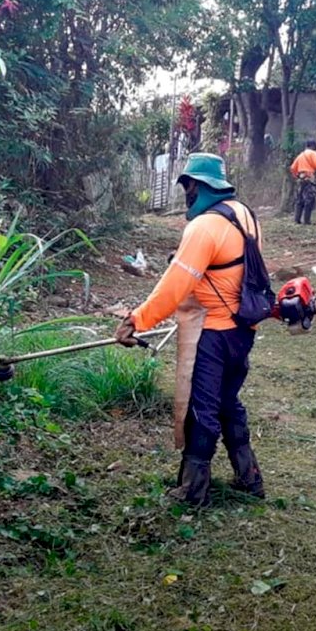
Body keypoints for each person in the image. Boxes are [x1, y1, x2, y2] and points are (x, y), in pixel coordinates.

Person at [115, 153, 265, 507]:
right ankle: (250, 479)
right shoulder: (245, 214)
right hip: (243, 330)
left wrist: (136, 320)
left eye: (189, 185)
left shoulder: (202, 227)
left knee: (204, 409)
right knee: (229, 403)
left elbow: (174, 287)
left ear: (200, 185)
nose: (187, 192)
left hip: (212, 333)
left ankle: (192, 490)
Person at [289, 139, 316, 225]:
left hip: (301, 179)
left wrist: (297, 176)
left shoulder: (301, 155)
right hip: (309, 178)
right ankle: (307, 221)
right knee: (309, 200)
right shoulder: (312, 153)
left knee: (300, 200)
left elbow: (292, 168)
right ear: (313, 146)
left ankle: (297, 219)